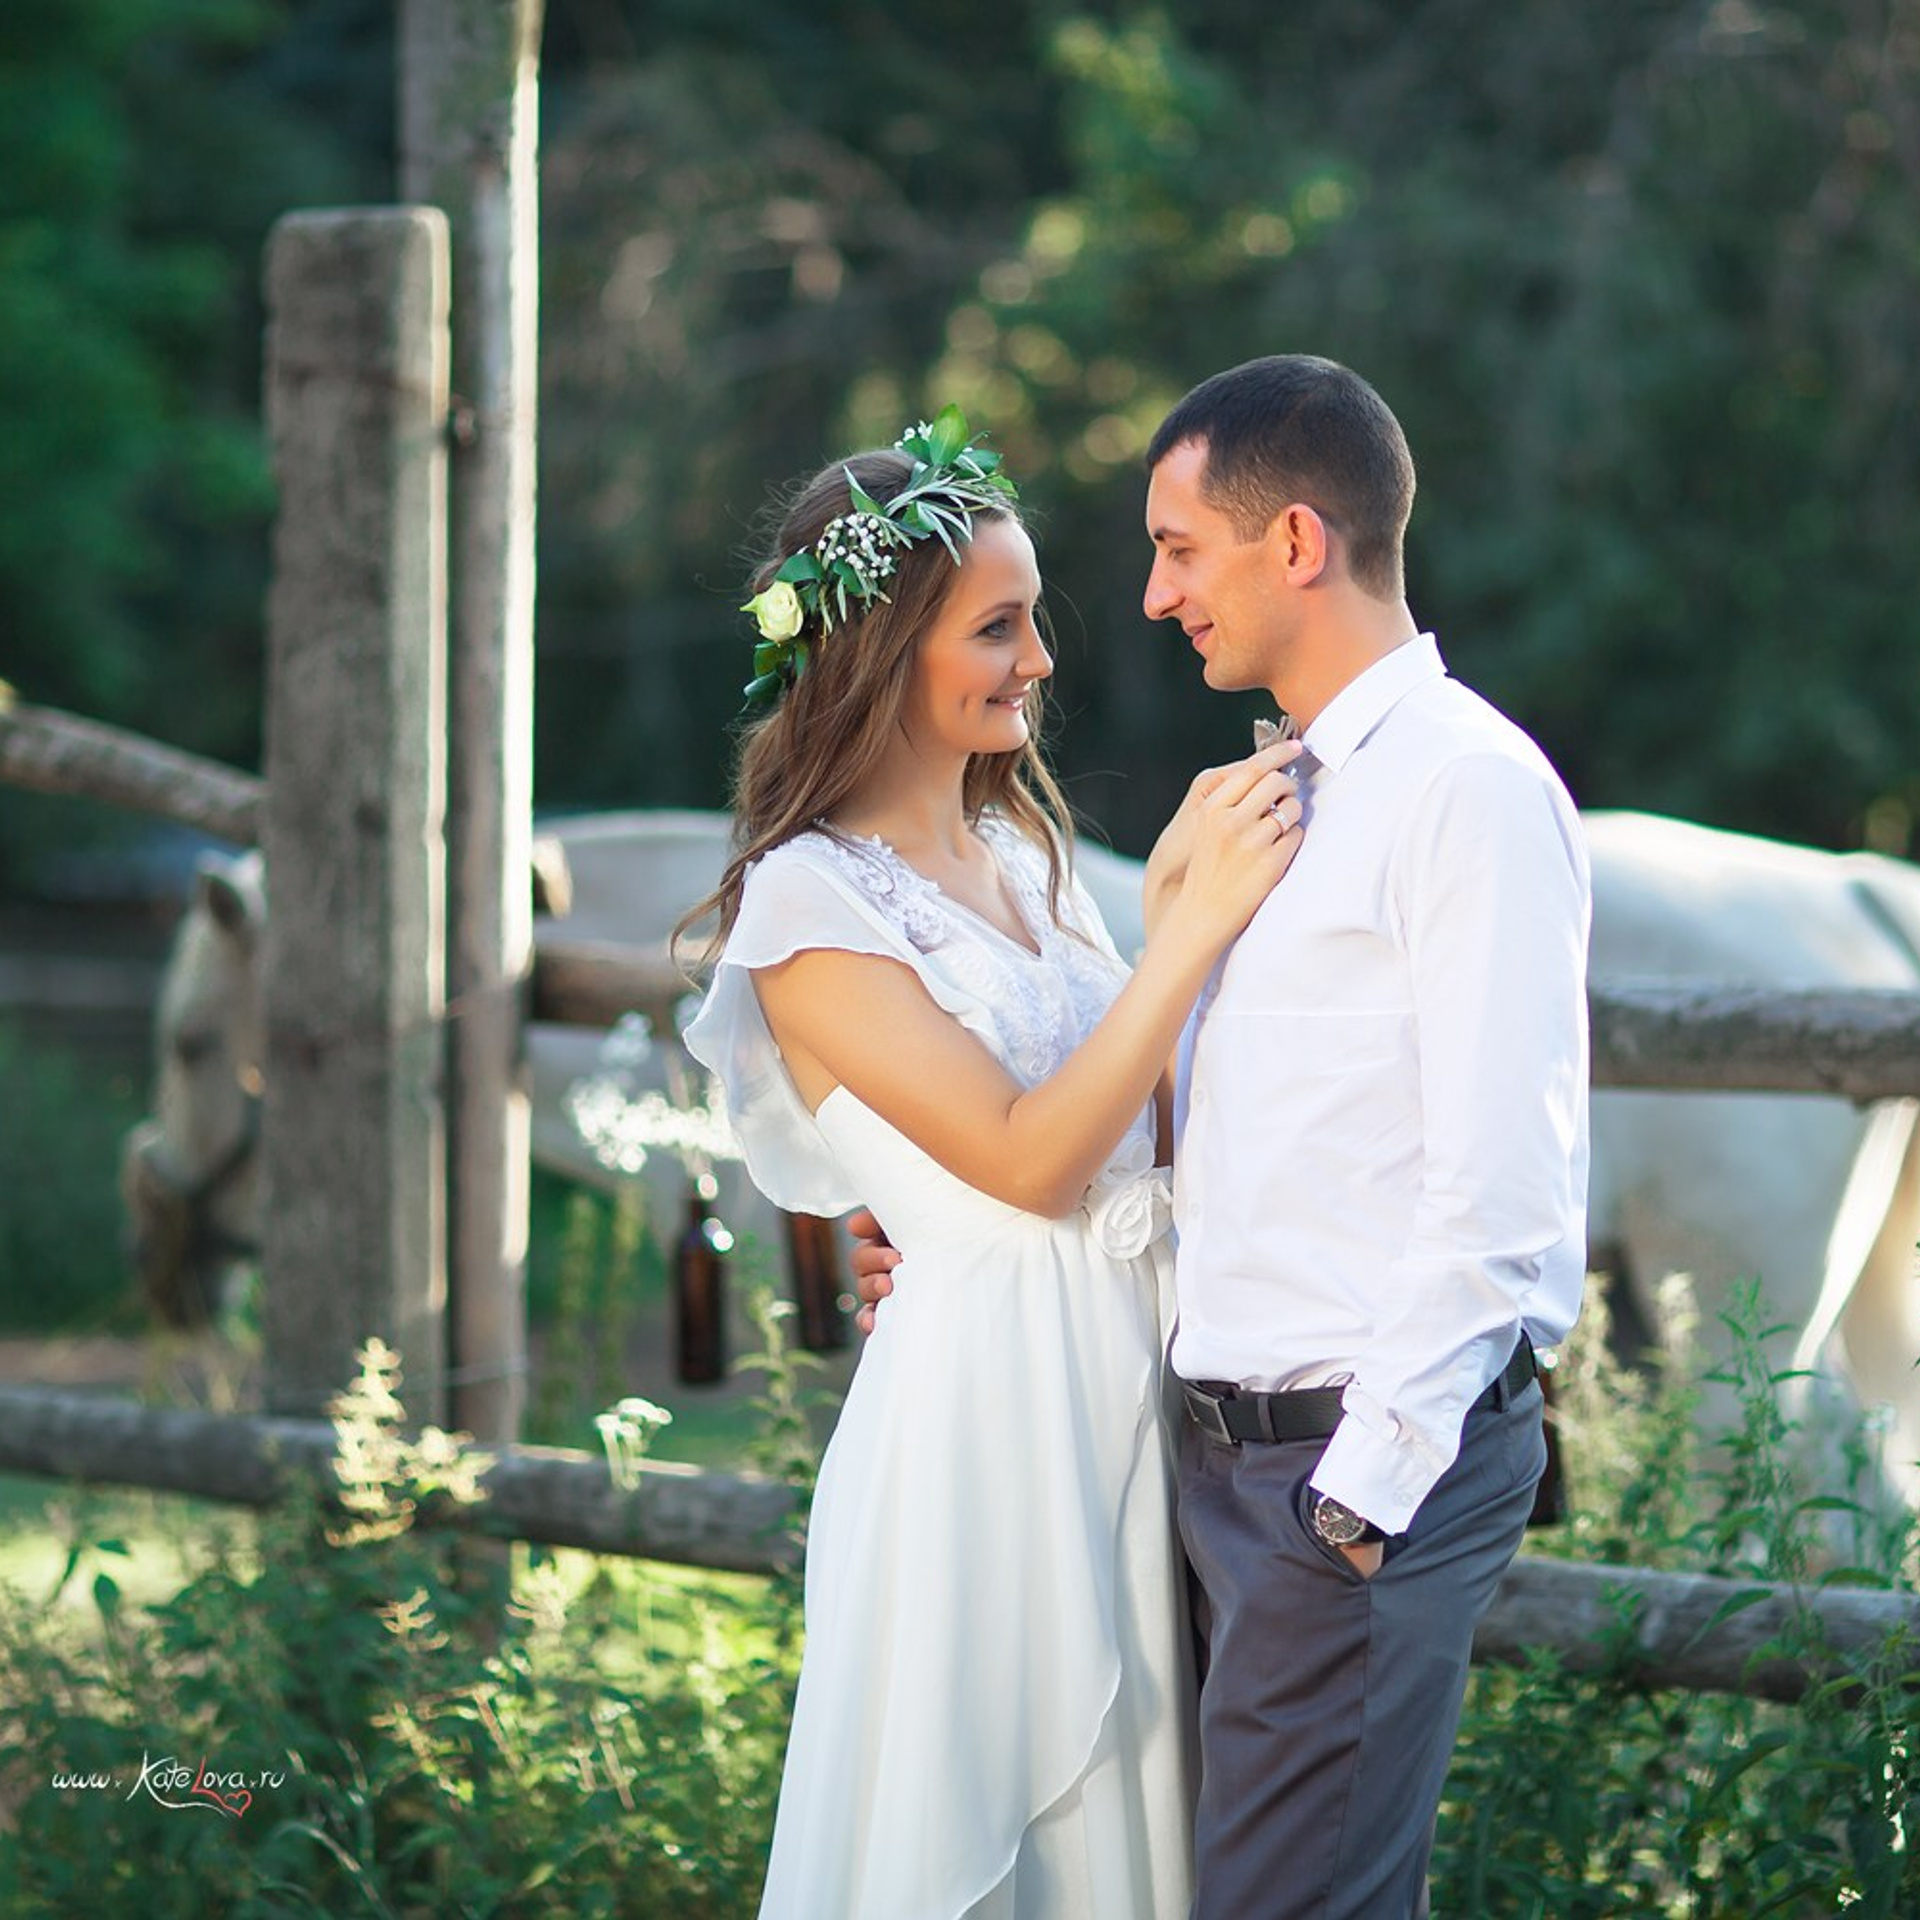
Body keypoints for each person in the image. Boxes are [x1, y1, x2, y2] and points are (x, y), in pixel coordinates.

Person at [854, 357, 1592, 1919]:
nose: (1149, 594)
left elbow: (1502, 1197)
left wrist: (1358, 1500)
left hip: (1344, 1475)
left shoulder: (1467, 791)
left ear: (1299, 544)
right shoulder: (1262, 799)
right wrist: (947, 1215)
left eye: (1180, 547)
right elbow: (1214, 1137)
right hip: (1198, 1472)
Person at [679, 407, 1306, 1919]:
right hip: (983, 1424)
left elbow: (1136, 1114)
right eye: (1000, 627)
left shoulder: (1025, 860)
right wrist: (1188, 925)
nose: (1039, 661)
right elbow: (1024, 1163)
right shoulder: (807, 909)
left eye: (1035, 624)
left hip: (1133, 1389)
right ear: (881, 653)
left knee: (1145, 1815)